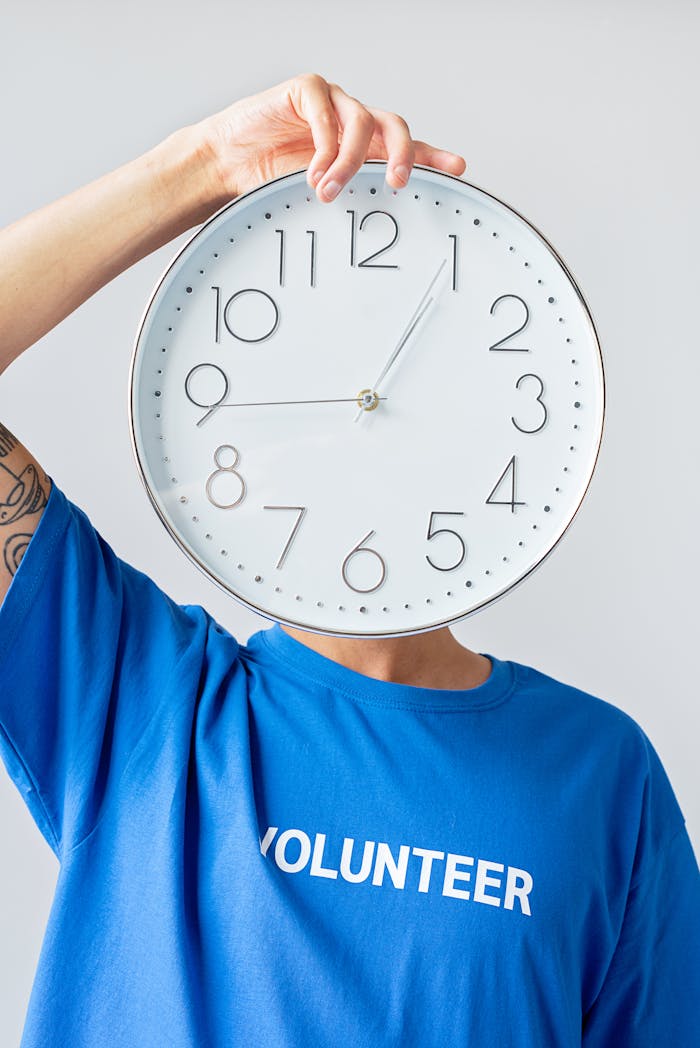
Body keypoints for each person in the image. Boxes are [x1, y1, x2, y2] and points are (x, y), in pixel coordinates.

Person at [0, 72, 698, 1048]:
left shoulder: (598, 772)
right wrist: (202, 166)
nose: (355, 428)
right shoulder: (142, 701)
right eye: (314, 400)